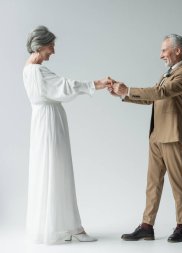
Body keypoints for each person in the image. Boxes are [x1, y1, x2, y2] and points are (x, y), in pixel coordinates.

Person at [23, 25, 109, 244]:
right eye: (51, 46)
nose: (53, 51)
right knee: (58, 170)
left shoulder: (27, 69)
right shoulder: (38, 71)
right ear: (40, 45)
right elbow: (65, 86)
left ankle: (56, 226)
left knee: (48, 171)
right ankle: (71, 228)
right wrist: (96, 84)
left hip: (41, 122)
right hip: (50, 123)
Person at [109, 34, 182, 243]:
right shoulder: (169, 73)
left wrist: (128, 89)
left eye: (164, 50)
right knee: (152, 183)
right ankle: (147, 226)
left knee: (177, 182)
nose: (161, 55)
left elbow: (160, 92)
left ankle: (181, 226)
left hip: (173, 136)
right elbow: (154, 99)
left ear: (178, 50)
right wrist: (124, 95)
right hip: (157, 135)